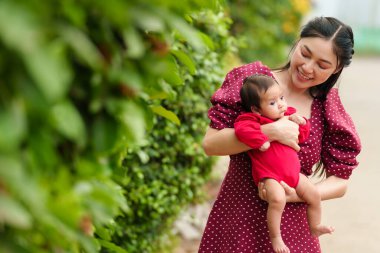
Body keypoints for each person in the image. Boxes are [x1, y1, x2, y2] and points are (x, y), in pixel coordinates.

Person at [199, 16, 361, 253]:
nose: (307, 67)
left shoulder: (327, 107)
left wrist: (298, 194)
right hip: (236, 220)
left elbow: (340, 182)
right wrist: (270, 131)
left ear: (336, 69)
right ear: (297, 43)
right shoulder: (253, 83)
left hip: (294, 231)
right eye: (305, 54)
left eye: (322, 65)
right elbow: (211, 144)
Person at [234, 74, 333, 253]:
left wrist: (301, 123)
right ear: (256, 109)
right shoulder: (252, 120)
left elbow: (301, 136)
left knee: (314, 195)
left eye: (281, 98)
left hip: (294, 175)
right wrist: (262, 139)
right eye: (272, 103)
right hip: (269, 176)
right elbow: (242, 131)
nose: (280, 104)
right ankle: (276, 237)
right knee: (278, 200)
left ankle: (315, 225)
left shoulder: (288, 115)